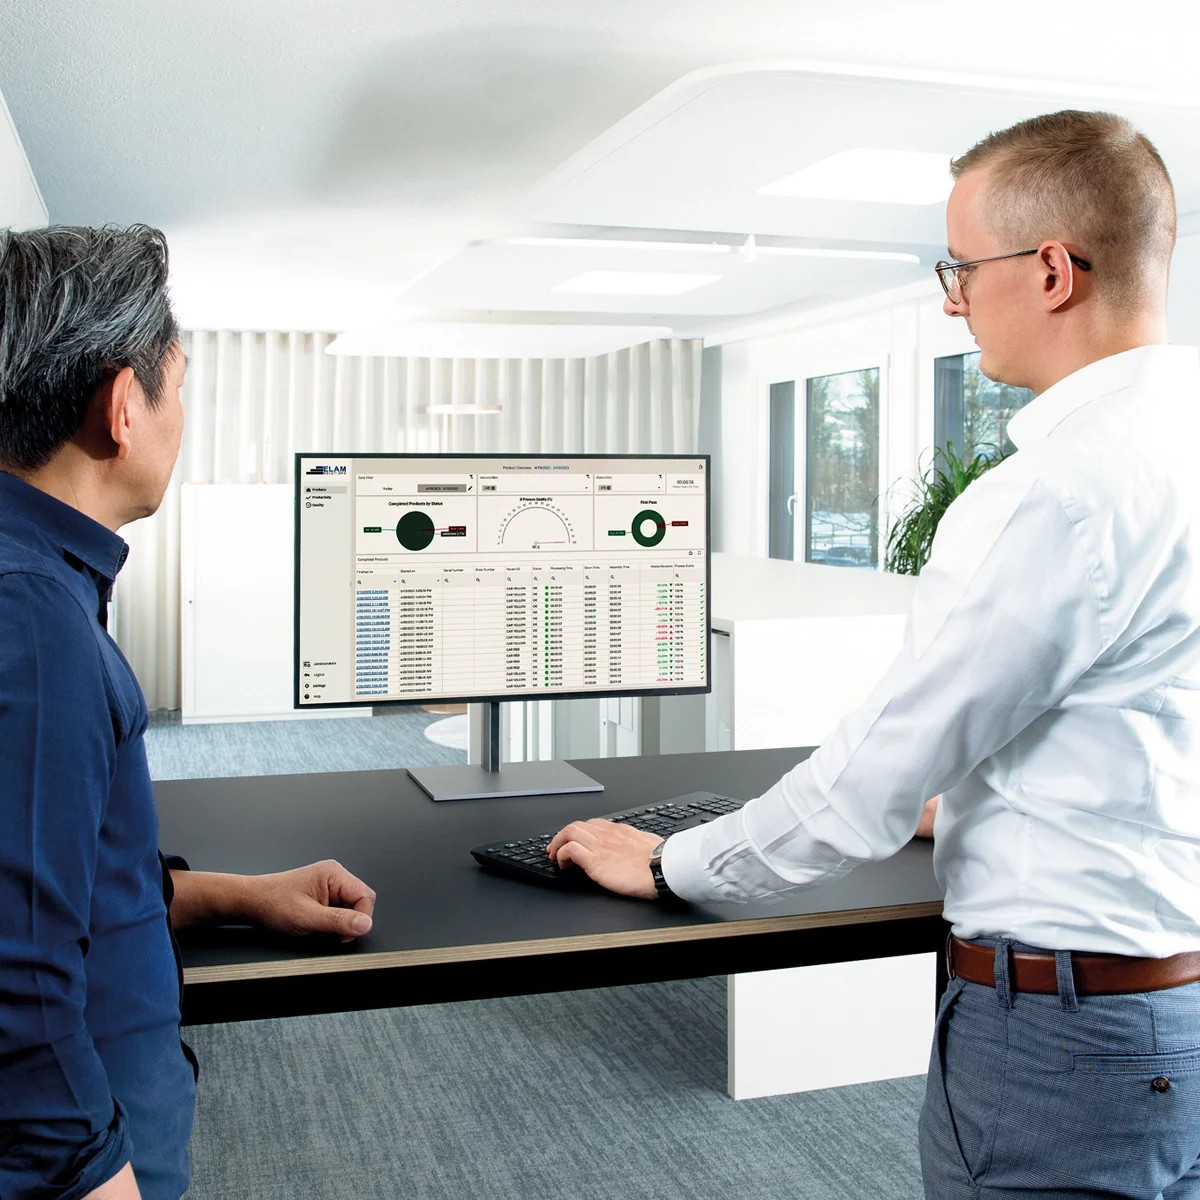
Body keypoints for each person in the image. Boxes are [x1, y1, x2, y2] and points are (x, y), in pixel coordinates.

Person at [548, 109, 1200, 1198]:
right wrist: (994, 798)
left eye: (962, 267)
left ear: (1049, 272)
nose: (951, 300)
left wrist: (668, 862)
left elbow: (864, 787)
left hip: (1067, 1049)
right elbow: (1151, 710)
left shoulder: (1052, 492)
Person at [0, 226, 378, 1200]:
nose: (183, 419)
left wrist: (237, 894)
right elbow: (14, 990)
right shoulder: (31, 615)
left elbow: (52, 876)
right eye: (180, 388)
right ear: (124, 407)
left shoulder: (38, 583)